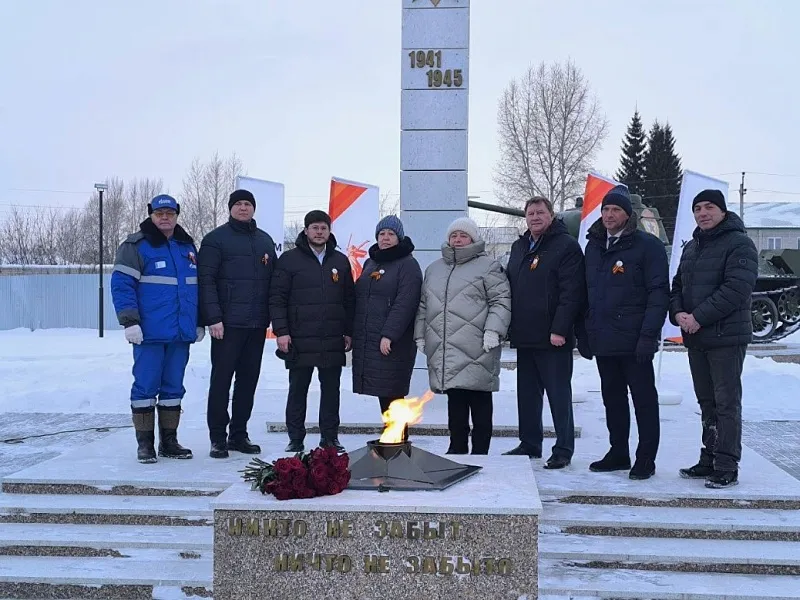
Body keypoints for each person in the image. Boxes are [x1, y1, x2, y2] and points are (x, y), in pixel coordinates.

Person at [578, 185, 670, 480]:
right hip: (604, 339)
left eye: (615, 210)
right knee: (612, 399)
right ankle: (618, 451)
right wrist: (585, 333)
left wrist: (648, 336)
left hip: (635, 341)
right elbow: (586, 293)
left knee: (644, 400)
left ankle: (646, 458)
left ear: (628, 215)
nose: (609, 214)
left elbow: (658, 294)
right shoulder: (593, 246)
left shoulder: (647, 246)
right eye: (605, 209)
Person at [669, 189, 758, 488]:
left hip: (725, 338)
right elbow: (677, 285)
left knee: (726, 403)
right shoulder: (692, 246)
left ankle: (727, 464)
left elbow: (736, 289)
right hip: (696, 338)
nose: (702, 213)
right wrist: (678, 313)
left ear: (722, 210)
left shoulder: (740, 244)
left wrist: (697, 317)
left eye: (709, 207)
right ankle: (709, 458)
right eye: (697, 208)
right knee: (707, 402)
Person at [111, 194, 203, 464]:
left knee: (174, 387)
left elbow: (195, 288)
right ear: (151, 214)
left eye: (170, 213)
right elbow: (122, 285)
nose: (165, 217)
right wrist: (129, 321)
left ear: (177, 215)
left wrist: (198, 321)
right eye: (160, 212)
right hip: (148, 333)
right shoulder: (135, 245)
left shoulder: (187, 246)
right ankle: (145, 444)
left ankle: (169, 441)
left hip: (180, 333)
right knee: (145, 387)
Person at [414, 217, 511, 455]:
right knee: (455, 401)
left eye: (463, 235)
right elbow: (424, 305)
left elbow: (501, 300)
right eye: (454, 235)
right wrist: (420, 335)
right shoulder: (434, 269)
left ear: (473, 238)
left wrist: (493, 330)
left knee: (479, 400)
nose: (458, 240)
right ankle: (456, 446)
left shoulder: (488, 266)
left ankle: (480, 451)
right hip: (447, 347)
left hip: (478, 345)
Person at [503, 196, 584, 469]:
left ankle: (563, 448)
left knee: (558, 394)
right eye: (530, 213)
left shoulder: (566, 247)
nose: (535, 217)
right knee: (527, 394)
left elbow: (571, 293)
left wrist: (560, 329)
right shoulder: (519, 246)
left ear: (552, 215)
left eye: (540, 212)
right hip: (525, 334)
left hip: (553, 337)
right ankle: (530, 443)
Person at [197, 189, 277, 459]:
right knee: (221, 381)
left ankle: (238, 434)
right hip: (226, 326)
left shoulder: (265, 242)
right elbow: (206, 281)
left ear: (253, 208)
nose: (243, 208)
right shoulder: (215, 240)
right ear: (230, 208)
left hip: (256, 326)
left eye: (248, 204)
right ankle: (218, 438)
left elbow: (274, 285)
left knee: (248, 382)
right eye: (238, 204)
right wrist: (213, 318)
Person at [269, 210, 355, 453]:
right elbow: (277, 298)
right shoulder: (289, 260)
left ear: (329, 231)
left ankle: (330, 437)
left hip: (332, 337)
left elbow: (349, 299)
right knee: (298, 389)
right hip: (299, 338)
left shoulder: (340, 261)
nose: (319, 232)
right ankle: (295, 438)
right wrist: (282, 331)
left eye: (323, 228)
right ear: (305, 230)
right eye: (314, 228)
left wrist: (349, 331)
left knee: (331, 390)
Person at [352, 215, 422, 417]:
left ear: (399, 237)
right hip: (371, 337)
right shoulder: (370, 263)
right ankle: (390, 436)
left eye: (391, 234)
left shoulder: (408, 264)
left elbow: (406, 303)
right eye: (382, 233)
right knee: (383, 392)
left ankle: (398, 440)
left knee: (393, 392)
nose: (385, 237)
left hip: (394, 340)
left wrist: (389, 334)